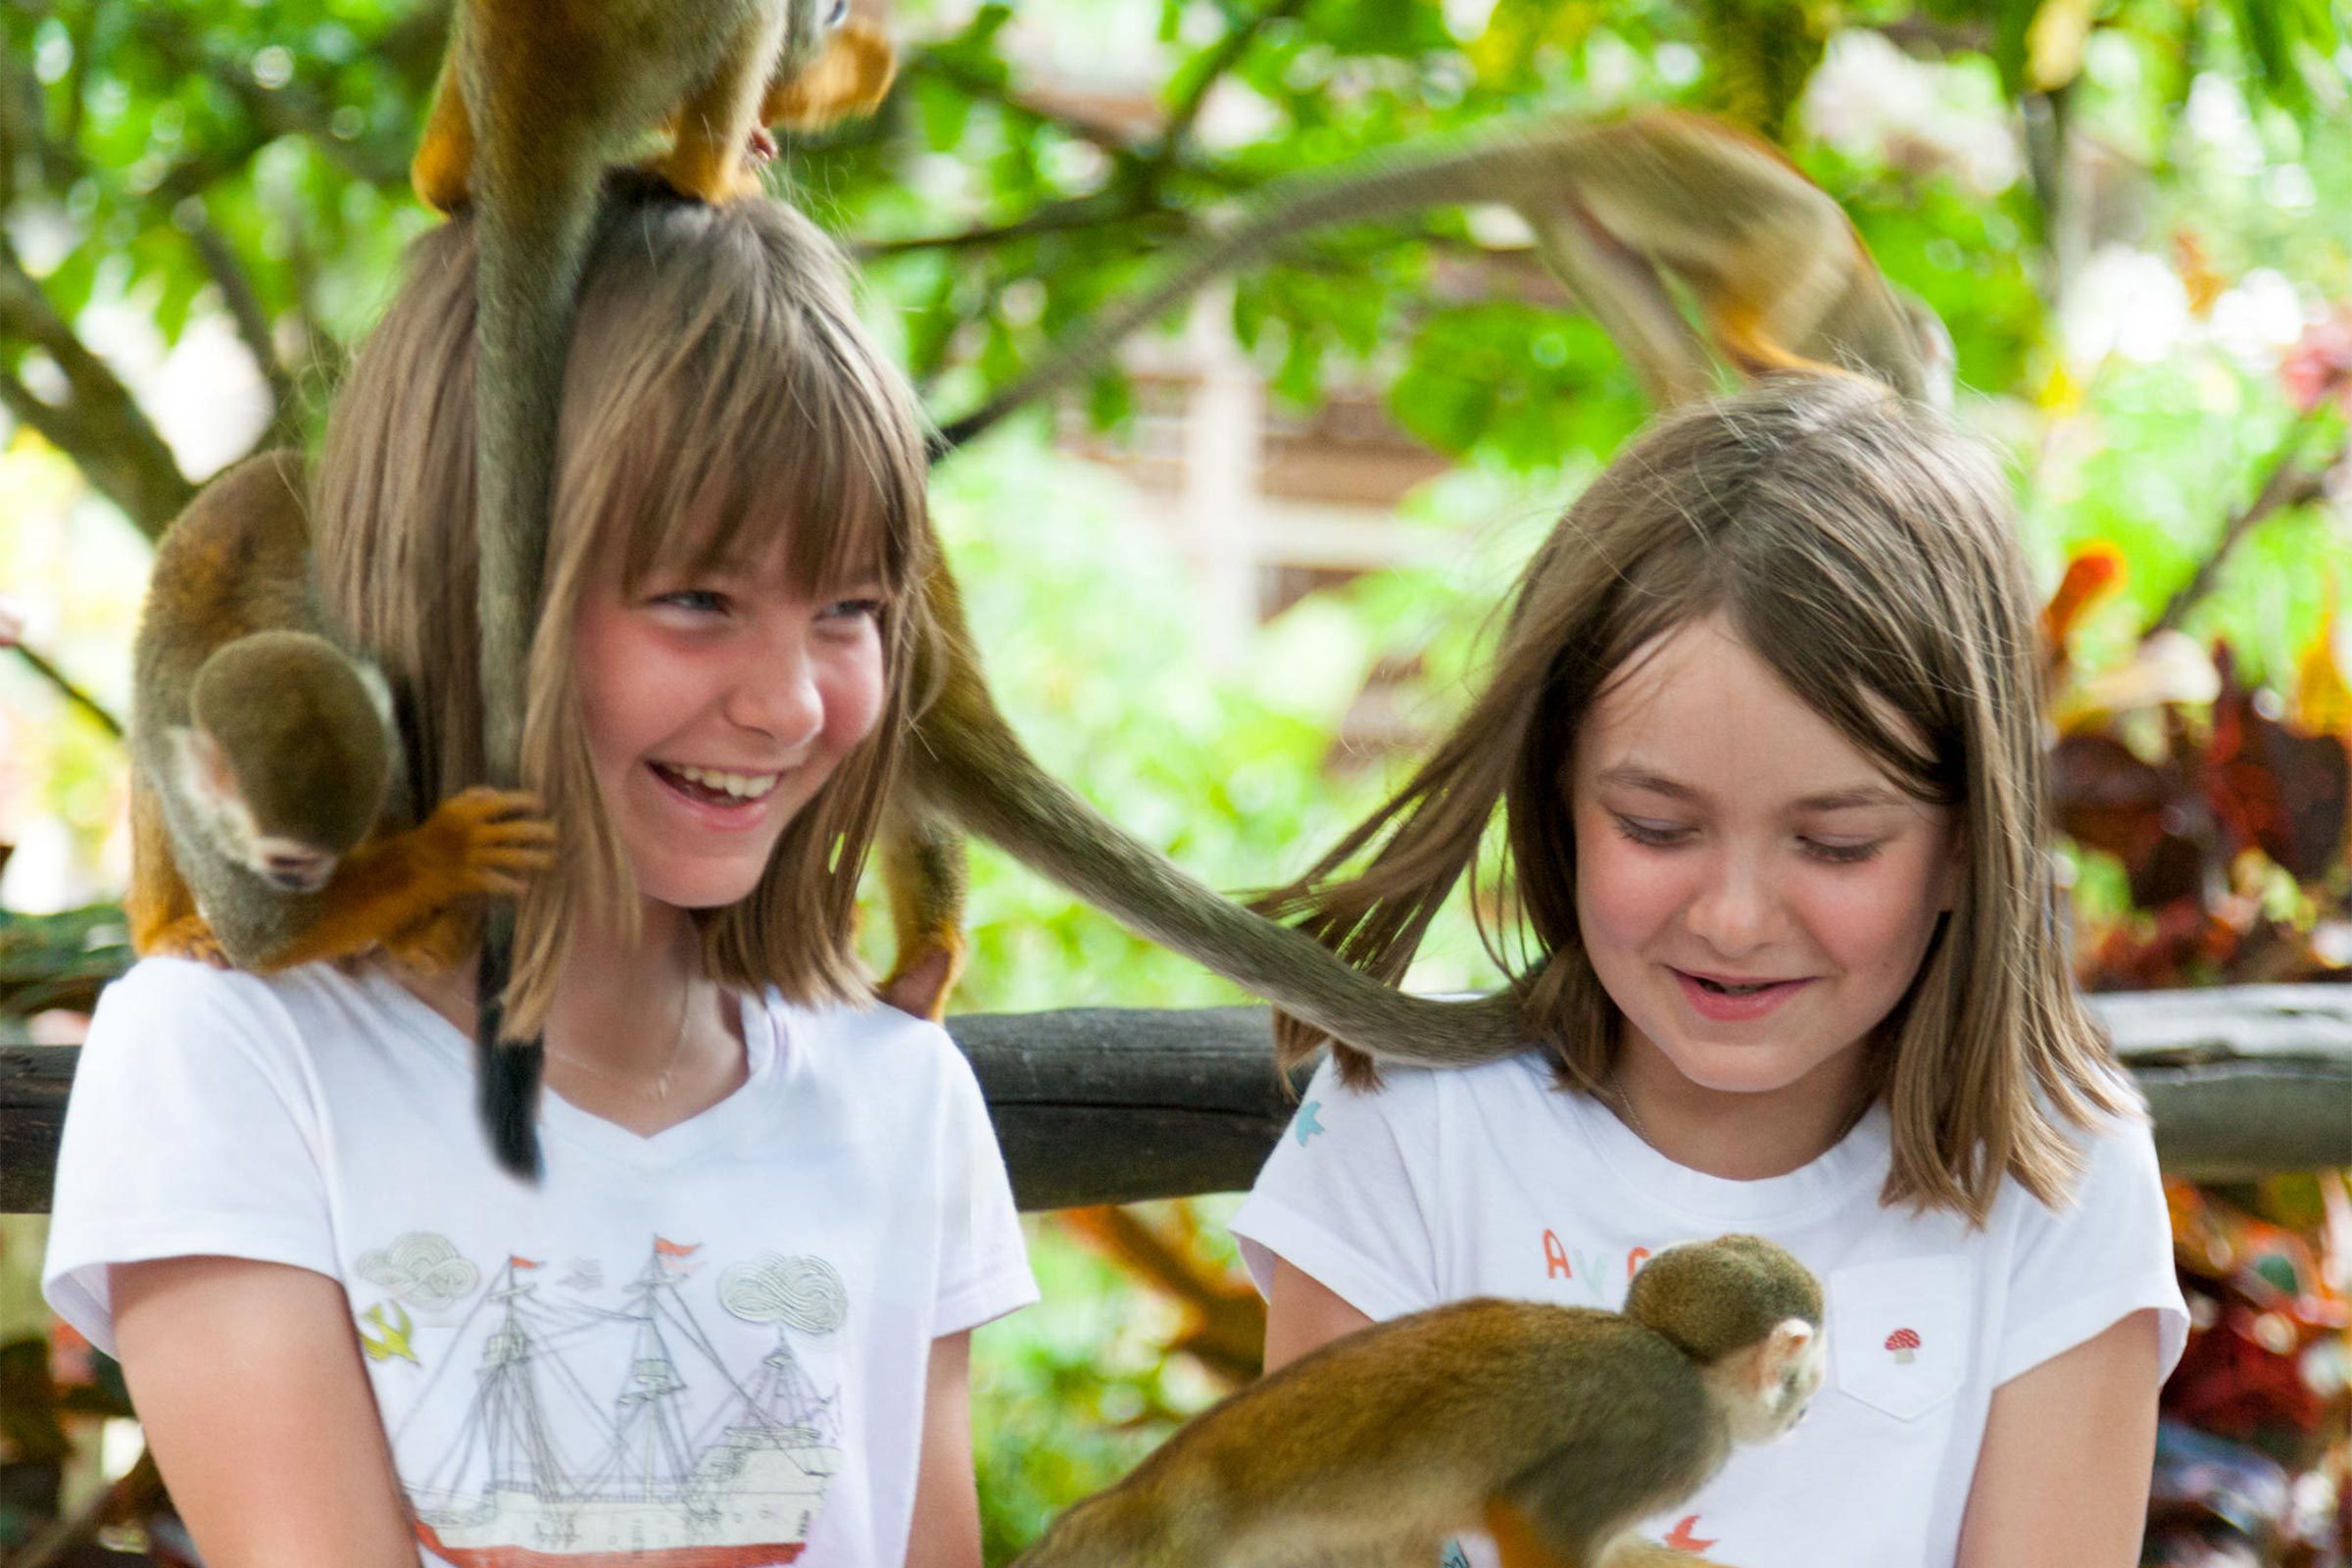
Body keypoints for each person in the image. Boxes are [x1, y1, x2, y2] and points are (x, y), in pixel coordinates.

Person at [44, 180, 1036, 1568]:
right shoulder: (233, 1052)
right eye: (698, 599)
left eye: (853, 612)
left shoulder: (900, 1089)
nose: (793, 705)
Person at [1232, 373, 2187, 1568]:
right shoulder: (1412, 1132)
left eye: (1837, 843)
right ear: (1563, 800)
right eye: (1657, 827)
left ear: (1964, 844)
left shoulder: (2059, 1174)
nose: (1734, 920)